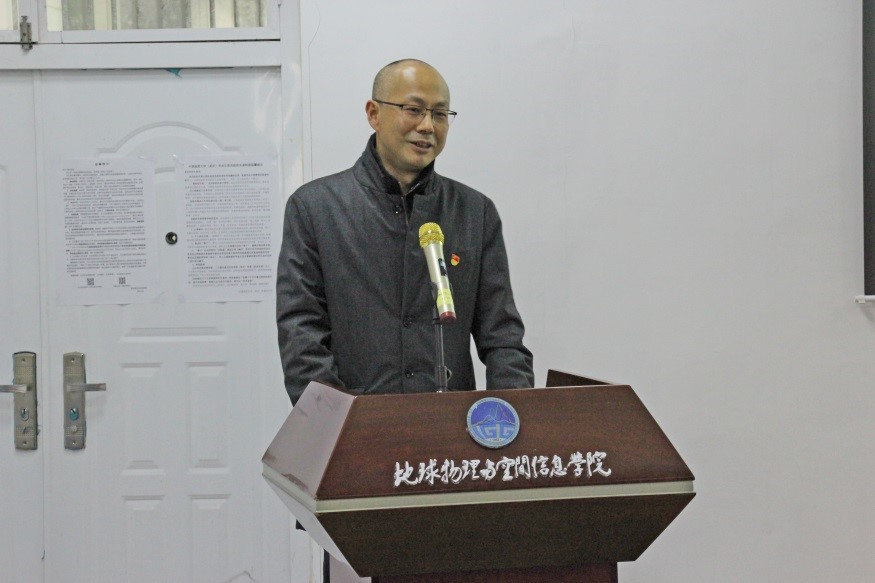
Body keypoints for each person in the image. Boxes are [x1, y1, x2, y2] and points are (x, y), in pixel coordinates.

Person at [276, 58, 534, 406]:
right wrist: (340, 422)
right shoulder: (316, 208)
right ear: (373, 113)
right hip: (356, 426)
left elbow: (502, 337)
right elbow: (301, 335)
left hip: (450, 425)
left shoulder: (474, 212)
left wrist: (512, 418)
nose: (427, 126)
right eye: (413, 110)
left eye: (439, 114)